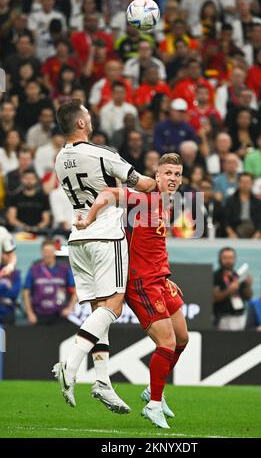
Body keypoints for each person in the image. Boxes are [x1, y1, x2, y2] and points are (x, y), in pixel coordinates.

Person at [53, 99, 156, 413]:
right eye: (87, 114)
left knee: (99, 309)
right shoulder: (102, 154)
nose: (91, 117)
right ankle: (70, 364)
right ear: (81, 123)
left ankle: (102, 382)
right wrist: (160, 180)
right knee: (113, 304)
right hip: (106, 234)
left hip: (78, 238)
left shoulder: (59, 159)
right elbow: (143, 185)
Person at [75, 153, 189, 429]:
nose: (173, 178)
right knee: (167, 343)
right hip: (141, 282)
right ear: (156, 175)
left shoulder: (167, 204)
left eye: (177, 174)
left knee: (183, 338)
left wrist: (166, 275)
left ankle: (153, 390)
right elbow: (108, 193)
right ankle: (154, 405)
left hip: (159, 279)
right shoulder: (145, 199)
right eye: (168, 173)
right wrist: (88, 219)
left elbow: (155, 244)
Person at [23, 239, 76, 326]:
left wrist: (70, 308)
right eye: (45, 251)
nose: (48, 254)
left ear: (55, 251)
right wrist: (30, 313)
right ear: (42, 252)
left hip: (60, 315)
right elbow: (26, 292)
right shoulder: (34, 269)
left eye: (50, 251)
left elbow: (75, 291)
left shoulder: (64, 269)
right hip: (39, 315)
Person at [213, 247, 253, 330]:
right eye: (225, 258)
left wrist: (248, 285)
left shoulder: (238, 275)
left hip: (241, 316)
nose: (228, 261)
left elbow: (248, 297)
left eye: (231, 258)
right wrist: (230, 290)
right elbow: (214, 298)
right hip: (223, 317)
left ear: (235, 259)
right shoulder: (215, 276)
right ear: (220, 259)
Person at [6, 168, 51, 234]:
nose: (29, 181)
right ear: (21, 179)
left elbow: (46, 220)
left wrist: (36, 228)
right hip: (19, 229)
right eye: (26, 178)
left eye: (32, 178)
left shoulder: (43, 197)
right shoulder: (14, 197)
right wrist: (24, 227)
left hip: (39, 230)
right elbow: (12, 219)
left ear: (36, 180)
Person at [224, 172, 261, 239]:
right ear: (238, 183)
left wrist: (257, 235)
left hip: (253, 230)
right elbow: (226, 221)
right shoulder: (230, 201)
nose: (245, 184)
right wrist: (231, 234)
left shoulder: (258, 202)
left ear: (252, 184)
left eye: (248, 182)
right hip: (235, 231)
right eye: (242, 182)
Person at [0, 252, 21, 325]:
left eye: (6, 254)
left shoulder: (15, 273)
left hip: (8, 312)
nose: (3, 256)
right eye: (2, 253)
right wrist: (5, 284)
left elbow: (14, 293)